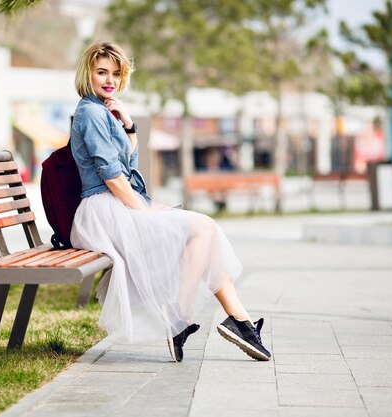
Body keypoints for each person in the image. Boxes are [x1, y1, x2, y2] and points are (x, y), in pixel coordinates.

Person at [69, 41, 271, 362]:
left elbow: (126, 164)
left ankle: (240, 322)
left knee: (206, 235)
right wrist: (144, 211)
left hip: (116, 203)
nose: (109, 80)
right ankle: (182, 317)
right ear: (88, 74)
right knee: (203, 228)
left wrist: (130, 125)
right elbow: (111, 175)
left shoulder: (104, 111)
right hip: (104, 209)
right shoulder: (91, 113)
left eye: (116, 74)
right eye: (102, 72)